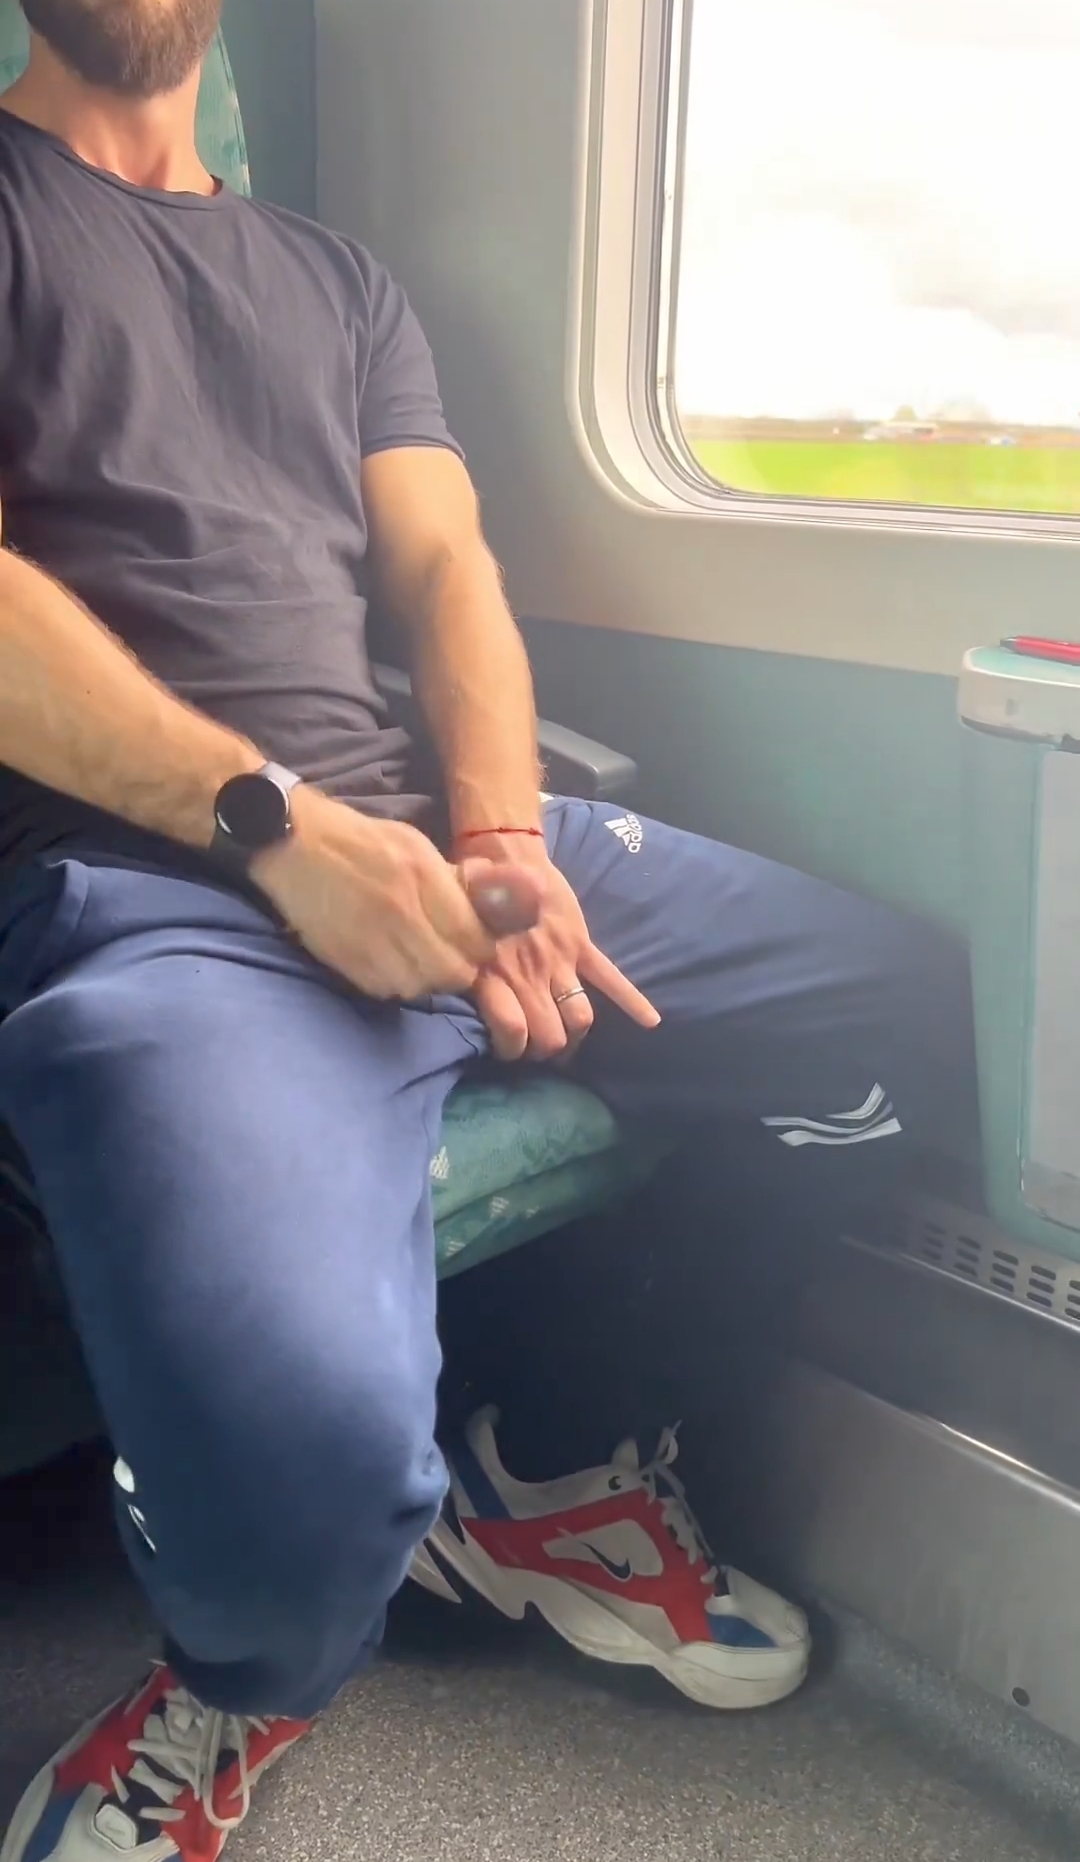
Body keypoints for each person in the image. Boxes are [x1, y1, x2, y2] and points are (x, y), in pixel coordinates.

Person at [0, 1, 981, 1857]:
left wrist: (501, 834)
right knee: (301, 1494)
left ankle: (548, 1469)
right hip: (158, 892)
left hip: (424, 840)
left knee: (905, 1019)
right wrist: (278, 829)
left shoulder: (338, 283)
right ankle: (240, 1684)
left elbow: (448, 568)